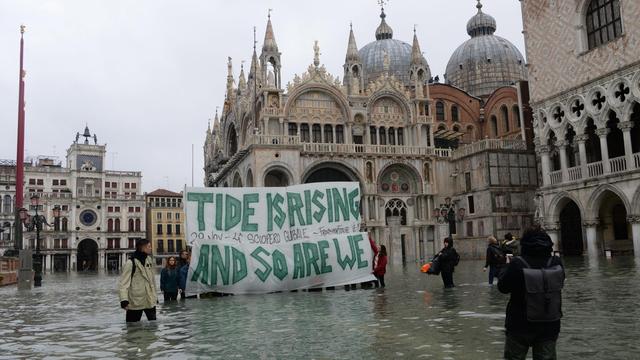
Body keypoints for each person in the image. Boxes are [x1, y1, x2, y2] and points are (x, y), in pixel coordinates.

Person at [498, 226, 564, 359]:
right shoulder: (555, 262)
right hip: (549, 324)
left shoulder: (518, 263)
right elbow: (561, 283)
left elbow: (502, 287)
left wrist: (505, 265)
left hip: (519, 325)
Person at [118, 239, 158, 322]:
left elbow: (152, 280)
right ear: (142, 248)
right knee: (132, 329)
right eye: (149, 247)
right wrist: (124, 300)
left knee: (153, 328)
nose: (151, 248)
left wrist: (155, 296)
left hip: (150, 300)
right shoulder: (130, 263)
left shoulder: (149, 260)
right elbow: (123, 284)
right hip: (135, 301)